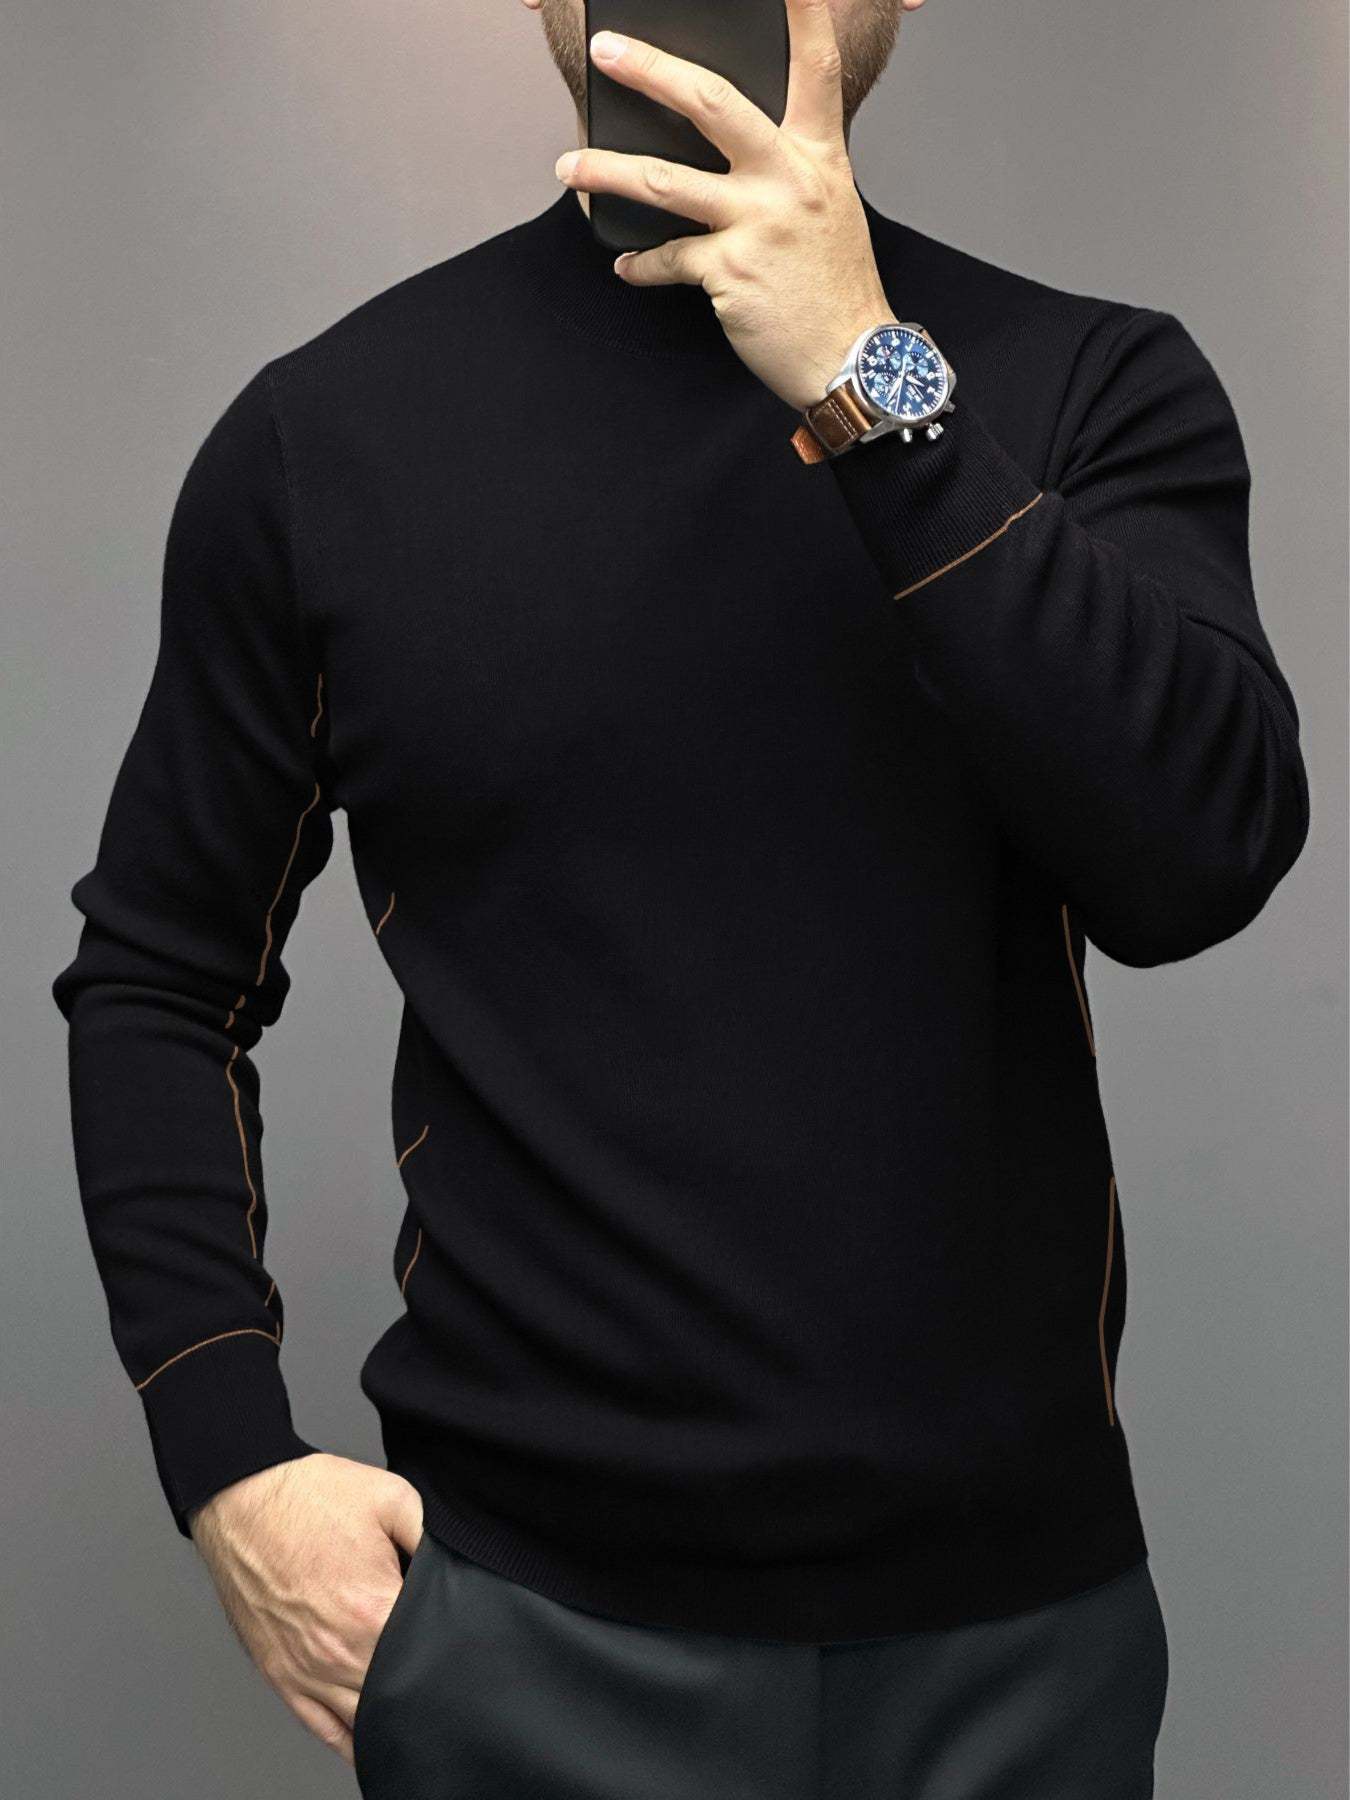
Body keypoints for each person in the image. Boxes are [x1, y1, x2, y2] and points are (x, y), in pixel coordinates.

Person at [51, 1, 1310, 1794]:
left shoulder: (1086, 383)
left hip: (1016, 1649)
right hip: (525, 1637)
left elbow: (1196, 859)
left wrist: (868, 380)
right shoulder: (326, 439)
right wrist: (228, 1459)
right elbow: (162, 974)